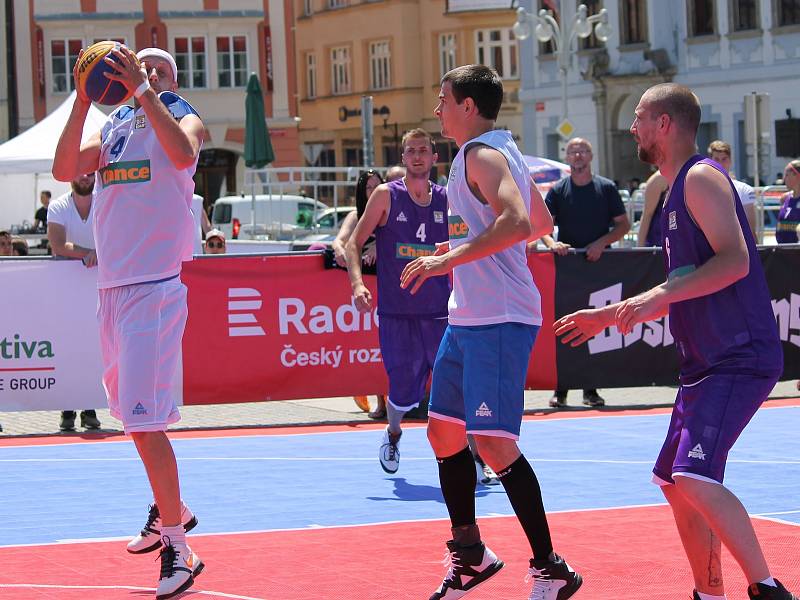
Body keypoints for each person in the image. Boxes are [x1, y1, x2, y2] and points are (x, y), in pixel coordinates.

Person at [555, 83, 796, 600]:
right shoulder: (671, 194)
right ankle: (709, 593)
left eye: (640, 117)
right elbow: (683, 283)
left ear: (664, 124)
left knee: (692, 474)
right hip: (705, 362)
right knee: (674, 481)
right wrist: (608, 315)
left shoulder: (701, 179)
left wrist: (641, 304)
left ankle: (769, 589)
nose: (633, 127)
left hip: (738, 354)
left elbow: (736, 261)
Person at [400, 64, 581, 600]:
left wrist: (454, 256)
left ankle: (551, 567)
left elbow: (522, 225)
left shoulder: (481, 154)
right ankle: (472, 555)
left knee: (494, 444)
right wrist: (464, 250)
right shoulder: (493, 150)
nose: (437, 109)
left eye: (444, 99)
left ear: (468, 107)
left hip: (499, 316)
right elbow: (543, 221)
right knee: (443, 431)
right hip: (471, 313)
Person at [53, 45, 204, 600]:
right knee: (132, 422)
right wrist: (81, 100)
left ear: (169, 76)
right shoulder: (114, 126)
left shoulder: (178, 111)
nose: (145, 70)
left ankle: (177, 549)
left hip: (154, 288)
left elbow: (185, 154)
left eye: (157, 66)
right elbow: (65, 168)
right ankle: (175, 511)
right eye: (136, 64)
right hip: (113, 290)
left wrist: (145, 87)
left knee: (146, 422)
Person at [345, 128, 450, 474]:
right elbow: (353, 244)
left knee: (455, 383)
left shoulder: (447, 199)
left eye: (423, 150)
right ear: (403, 158)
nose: (417, 156)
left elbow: (470, 242)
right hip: (397, 312)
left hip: (440, 313)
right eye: (410, 151)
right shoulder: (387, 196)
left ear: (435, 158)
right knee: (402, 388)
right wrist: (358, 284)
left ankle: (475, 456)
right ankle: (392, 434)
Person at [540, 137, 630, 408]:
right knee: (565, 329)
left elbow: (624, 225)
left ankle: (591, 390)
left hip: (598, 268)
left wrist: (601, 243)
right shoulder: (557, 190)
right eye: (573, 151)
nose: (578, 155)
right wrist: (552, 243)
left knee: (594, 329)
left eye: (583, 151)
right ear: (567, 157)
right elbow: (542, 226)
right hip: (566, 270)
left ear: (591, 156)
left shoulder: (607, 188)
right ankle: (561, 391)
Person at [47, 172, 102, 432]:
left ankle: (89, 406)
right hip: (66, 287)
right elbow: (57, 245)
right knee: (68, 346)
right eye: (80, 173)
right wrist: (87, 253)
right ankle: (68, 409)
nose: (84, 177)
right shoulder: (58, 205)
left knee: (94, 347)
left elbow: (115, 235)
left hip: (99, 284)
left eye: (89, 173)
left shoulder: (105, 201)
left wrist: (97, 254)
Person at [332, 170, 386, 415]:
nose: (373, 191)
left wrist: (378, 245)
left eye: (378, 185)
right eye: (369, 187)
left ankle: (389, 401)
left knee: (386, 347)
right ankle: (370, 392)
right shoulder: (356, 214)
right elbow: (341, 240)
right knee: (367, 343)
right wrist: (340, 250)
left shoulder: (390, 211)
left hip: (389, 286)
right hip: (365, 289)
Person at [707, 140, 757, 237]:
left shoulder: (745, 190)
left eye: (724, 159)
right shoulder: (701, 190)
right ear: (709, 161)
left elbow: (750, 229)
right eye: (716, 159)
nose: (720, 164)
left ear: (730, 161)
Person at [636, 170, 669, 247]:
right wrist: (639, 251)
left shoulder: (691, 172)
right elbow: (647, 215)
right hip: (659, 245)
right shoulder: (659, 179)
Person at [776, 160, 800, 244]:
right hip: (782, 249)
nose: (784, 179)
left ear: (797, 176)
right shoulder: (784, 198)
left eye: (787, 175)